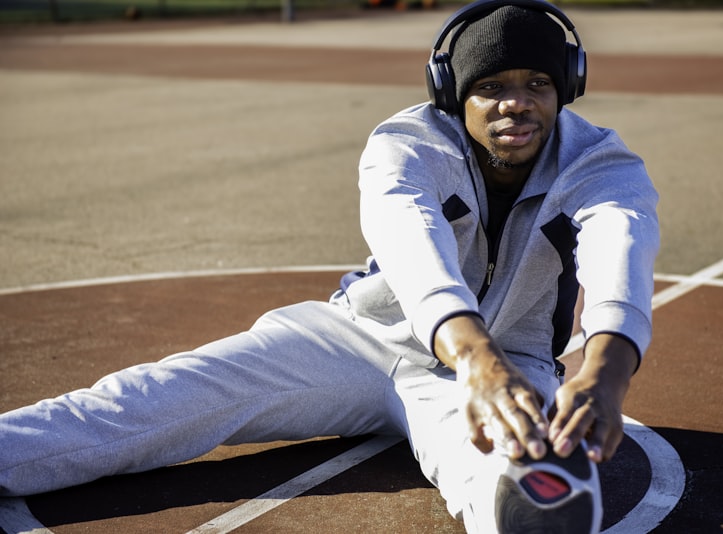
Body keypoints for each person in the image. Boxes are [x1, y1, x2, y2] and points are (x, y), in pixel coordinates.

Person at [0, 1, 659, 532]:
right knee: (145, 402)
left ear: (564, 87)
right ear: (453, 95)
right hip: (357, 341)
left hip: (511, 364)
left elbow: (620, 252)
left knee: (517, 484)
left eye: (537, 84)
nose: (517, 103)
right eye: (491, 88)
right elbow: (411, 246)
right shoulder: (406, 145)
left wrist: (604, 369)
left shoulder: (601, 164)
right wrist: (473, 357)